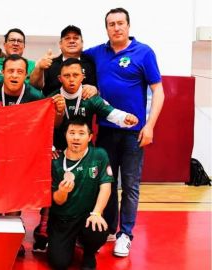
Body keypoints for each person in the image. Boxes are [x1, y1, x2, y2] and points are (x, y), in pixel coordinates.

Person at [0, 54, 66, 257]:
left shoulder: (34, 95)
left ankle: (12, 239)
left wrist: (59, 111)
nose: (14, 75)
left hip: (20, 153)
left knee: (15, 197)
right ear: (3, 73)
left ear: (26, 75)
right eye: (10, 71)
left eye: (19, 72)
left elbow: (53, 124)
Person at [32, 58, 138, 253]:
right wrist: (50, 147)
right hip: (58, 154)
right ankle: (45, 230)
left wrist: (125, 118)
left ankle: (87, 230)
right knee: (53, 191)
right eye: (66, 76)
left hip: (83, 153)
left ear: (83, 76)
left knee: (87, 190)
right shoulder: (53, 98)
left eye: (75, 75)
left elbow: (110, 112)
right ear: (59, 78)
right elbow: (41, 126)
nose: (71, 80)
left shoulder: (90, 96)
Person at [83, 7, 165, 257]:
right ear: (106, 28)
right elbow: (73, 56)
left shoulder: (144, 52)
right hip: (106, 131)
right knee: (106, 182)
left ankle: (125, 234)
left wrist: (149, 126)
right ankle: (108, 227)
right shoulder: (97, 53)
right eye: (111, 24)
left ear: (128, 26)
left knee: (129, 185)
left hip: (133, 134)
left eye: (120, 23)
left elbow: (158, 91)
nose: (116, 27)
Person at [47, 117, 113, 270]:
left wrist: (96, 213)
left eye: (81, 133)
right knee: (59, 263)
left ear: (90, 137)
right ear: (65, 135)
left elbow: (106, 186)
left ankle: (89, 254)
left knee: (98, 229)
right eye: (72, 133)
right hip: (62, 219)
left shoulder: (99, 155)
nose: (76, 137)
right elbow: (58, 201)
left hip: (86, 216)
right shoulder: (55, 161)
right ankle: (61, 242)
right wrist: (63, 191)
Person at [30, 25, 97, 97]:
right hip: (53, 106)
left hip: (85, 107)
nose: (71, 41)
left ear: (82, 43)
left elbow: (99, 87)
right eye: (67, 38)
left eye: (76, 38)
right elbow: (35, 86)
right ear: (60, 44)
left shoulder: (91, 63)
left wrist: (95, 89)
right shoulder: (50, 63)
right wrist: (39, 67)